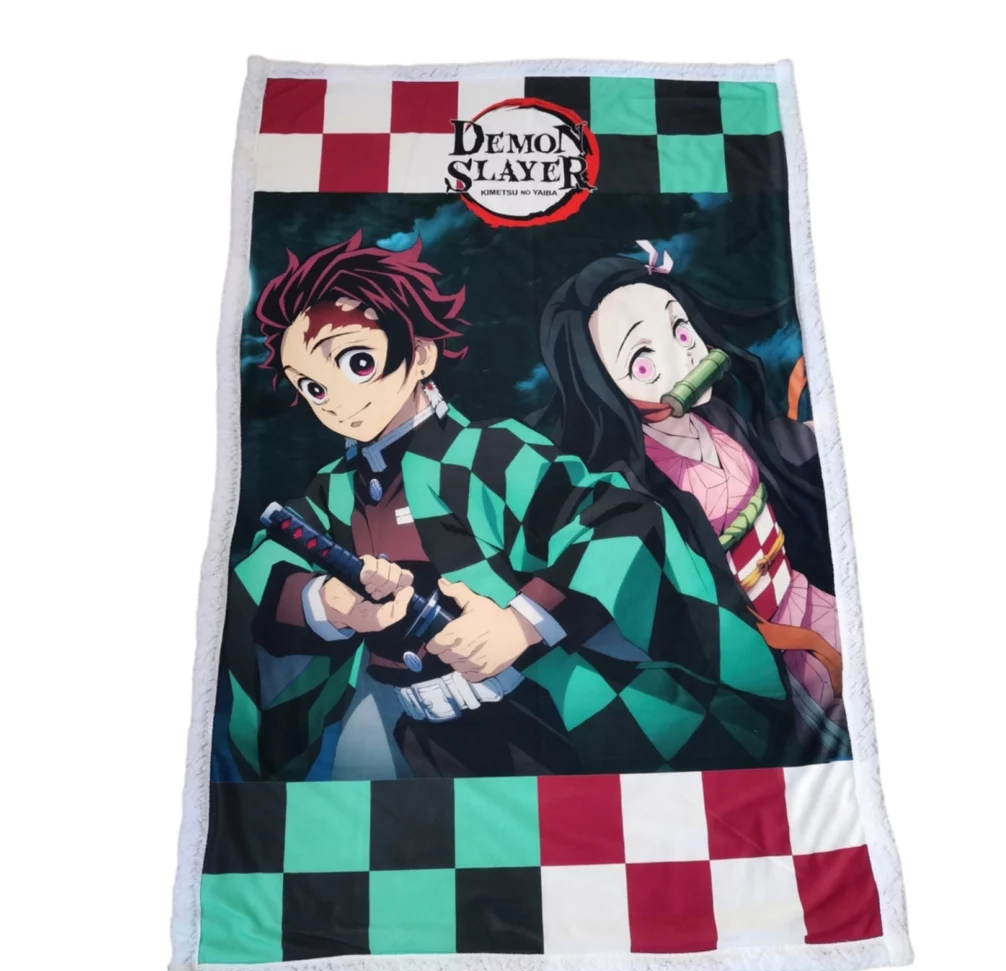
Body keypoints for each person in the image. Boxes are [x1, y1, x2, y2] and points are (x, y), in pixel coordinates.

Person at [218, 230, 801, 782]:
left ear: (420, 355)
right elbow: (258, 578)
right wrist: (332, 604)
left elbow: (620, 523)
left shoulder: (489, 454)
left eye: (357, 364)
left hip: (537, 723)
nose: (335, 401)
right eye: (312, 387)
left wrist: (521, 624)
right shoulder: (334, 491)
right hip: (407, 738)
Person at [538, 244, 849, 761]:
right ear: (602, 383)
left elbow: (775, 450)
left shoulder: (718, 418)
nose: (683, 359)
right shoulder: (634, 484)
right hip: (765, 643)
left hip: (804, 595)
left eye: (681, 332)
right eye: (643, 361)